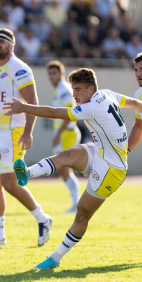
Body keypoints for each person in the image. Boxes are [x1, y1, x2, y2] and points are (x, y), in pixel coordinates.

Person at [3, 68, 142, 268]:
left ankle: (55, 258)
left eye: (79, 90)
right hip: (99, 152)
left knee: (82, 213)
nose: (75, 95)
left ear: (91, 89)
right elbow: (133, 103)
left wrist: (23, 107)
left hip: (112, 170)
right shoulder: (108, 94)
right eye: (73, 90)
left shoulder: (91, 108)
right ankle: (28, 173)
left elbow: (53, 112)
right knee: (67, 155)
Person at [0, 28, 51, 246]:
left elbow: (32, 100)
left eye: (1, 41)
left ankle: (43, 219)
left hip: (13, 133)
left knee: (10, 182)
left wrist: (28, 131)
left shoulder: (19, 68)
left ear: (11, 45)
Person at [46, 60, 80, 213]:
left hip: (67, 134)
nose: (51, 76)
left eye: (54, 73)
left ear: (61, 74)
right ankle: (76, 203)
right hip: (64, 134)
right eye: (50, 74)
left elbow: (70, 113)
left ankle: (76, 205)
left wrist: (58, 134)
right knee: (63, 171)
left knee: (65, 170)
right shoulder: (58, 89)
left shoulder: (63, 89)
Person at [128, 52, 142, 197]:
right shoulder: (138, 95)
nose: (138, 73)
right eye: (136, 70)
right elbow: (139, 126)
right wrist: (125, 151)